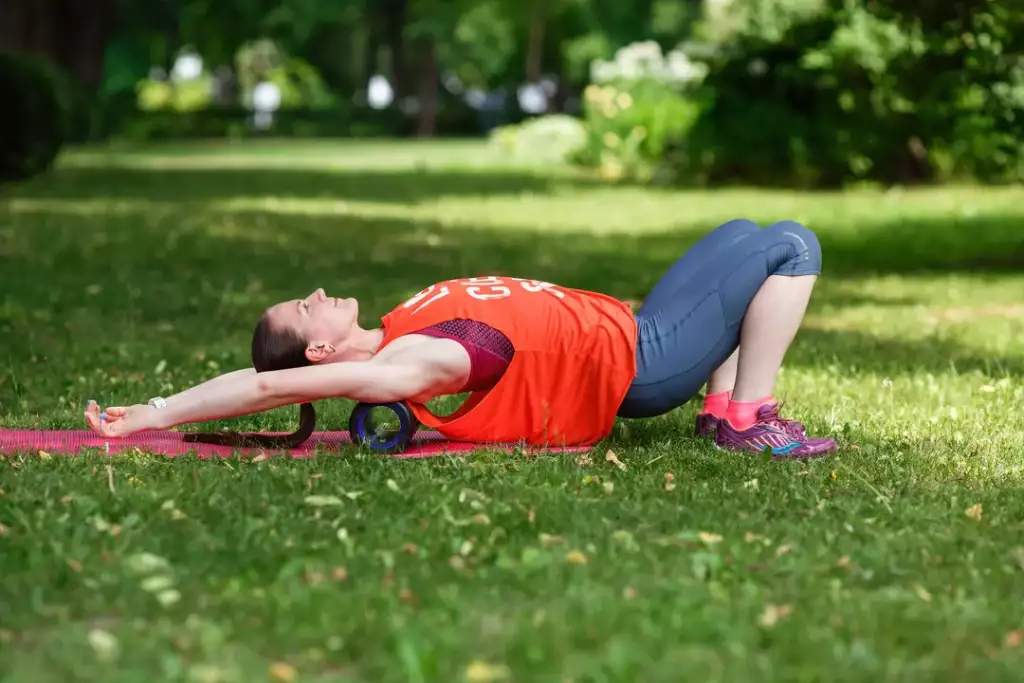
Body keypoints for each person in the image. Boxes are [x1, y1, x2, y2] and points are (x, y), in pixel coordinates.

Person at [84, 218, 838, 458]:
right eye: (305, 306)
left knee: (742, 234)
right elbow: (266, 385)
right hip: (643, 363)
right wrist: (154, 413)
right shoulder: (405, 364)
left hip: (632, 324)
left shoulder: (401, 320)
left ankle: (721, 409)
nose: (317, 292)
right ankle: (746, 417)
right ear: (319, 352)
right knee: (791, 246)